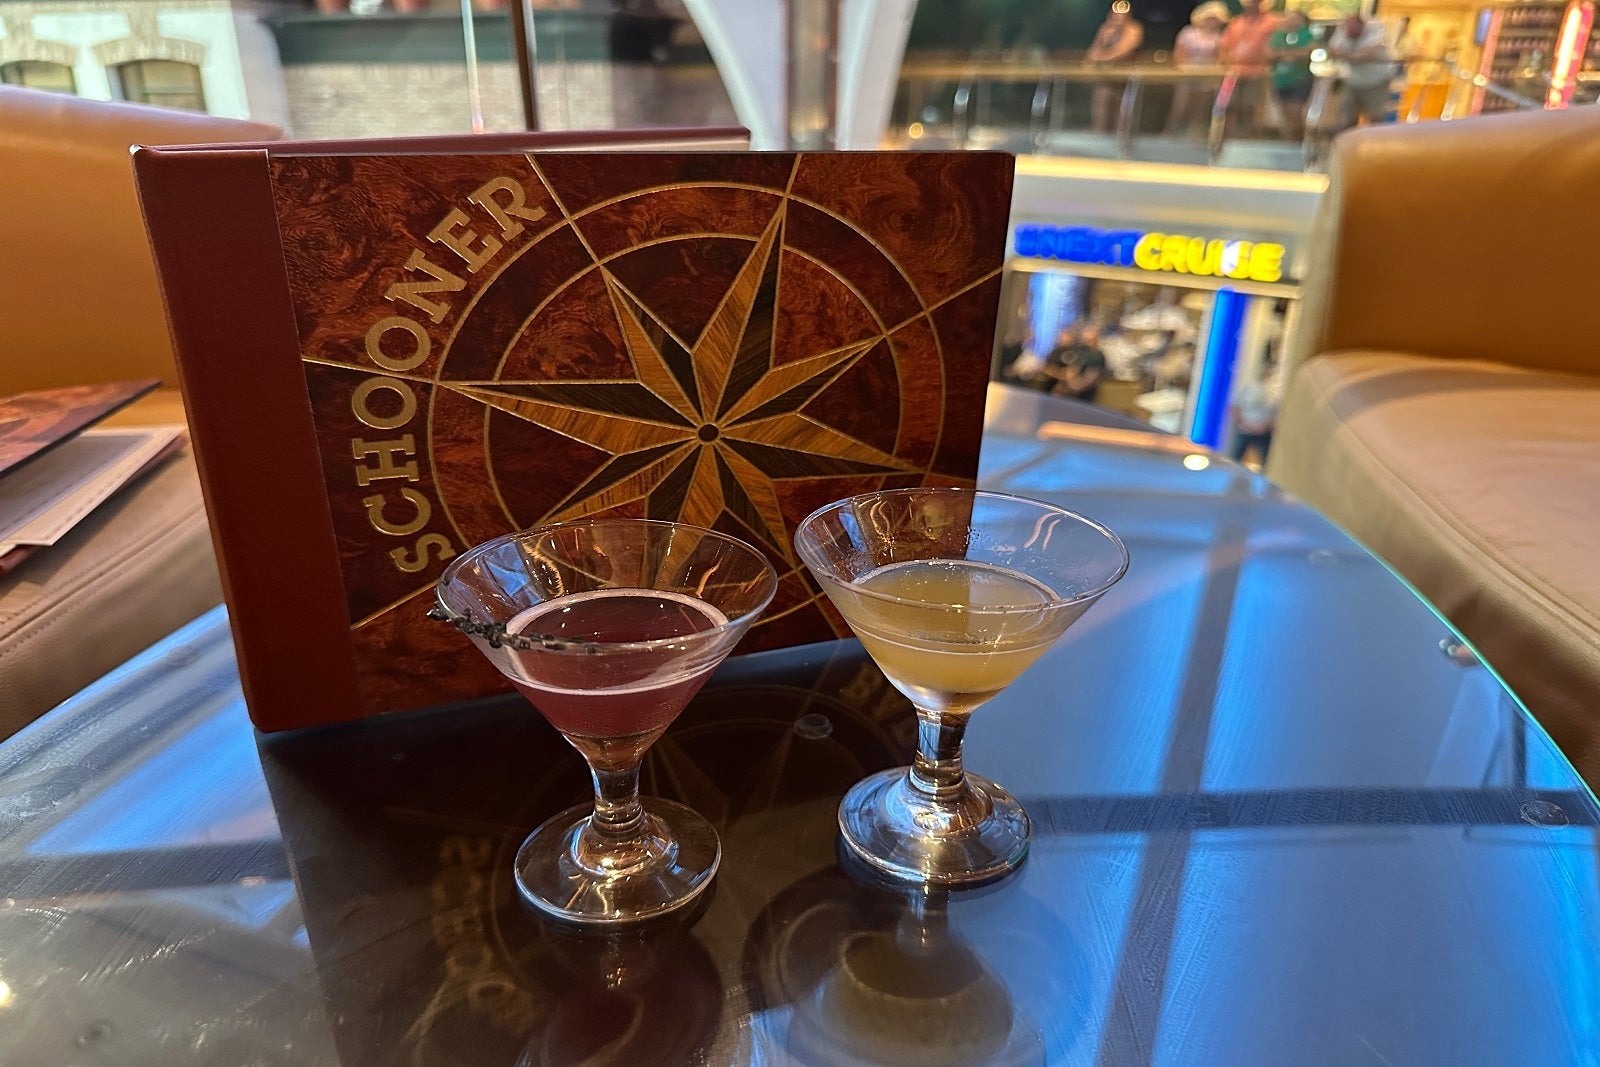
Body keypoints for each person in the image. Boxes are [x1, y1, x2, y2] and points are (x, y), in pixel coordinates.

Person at [1217, 0, 1282, 139]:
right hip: (1233, 73)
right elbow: (1224, 46)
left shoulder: (1273, 22)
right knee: (1229, 105)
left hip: (1259, 72)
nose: (1251, 4)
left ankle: (1251, 138)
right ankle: (1226, 137)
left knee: (1252, 106)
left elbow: (1275, 46)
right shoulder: (1236, 22)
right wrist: (1227, 61)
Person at [1167, 2, 1229, 136]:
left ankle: (1193, 131)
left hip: (1207, 74)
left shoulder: (1218, 37)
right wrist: (1182, 69)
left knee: (1200, 105)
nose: (1212, 22)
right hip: (1187, 72)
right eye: (1210, 18)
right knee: (1180, 104)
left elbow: (1220, 57)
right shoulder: (1188, 33)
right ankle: (1170, 131)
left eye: (1216, 19)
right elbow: (1178, 54)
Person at [1327, 13, 1395, 128]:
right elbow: (1332, 50)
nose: (1349, 33)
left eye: (1353, 30)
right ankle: (1347, 142)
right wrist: (1354, 55)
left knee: (1375, 116)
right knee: (1345, 113)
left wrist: (1347, 55)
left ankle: (1375, 142)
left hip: (1377, 80)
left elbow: (1365, 54)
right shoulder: (1343, 30)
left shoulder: (1376, 30)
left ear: (1362, 26)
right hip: (1352, 80)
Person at [1088, 1, 1145, 134]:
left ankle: (1122, 139)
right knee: (1102, 104)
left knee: (1123, 111)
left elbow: (1123, 50)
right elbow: (1093, 53)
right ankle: (1100, 135)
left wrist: (1101, 57)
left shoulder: (1134, 29)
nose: (1118, 18)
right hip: (1106, 78)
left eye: (1122, 15)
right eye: (1116, 15)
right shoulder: (1106, 29)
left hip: (1126, 79)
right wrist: (1106, 38)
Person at [1269, 10, 1316, 141]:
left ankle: (1300, 139)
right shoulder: (1279, 35)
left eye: (1295, 19)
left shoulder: (1306, 35)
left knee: (1295, 111)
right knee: (1284, 113)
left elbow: (1306, 52)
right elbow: (1269, 53)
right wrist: (1289, 54)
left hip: (1300, 79)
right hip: (1280, 80)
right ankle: (1287, 141)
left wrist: (1283, 53)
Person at [1229, 361, 1280, 464]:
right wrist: (1243, 424)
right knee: (1234, 460)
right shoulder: (1247, 389)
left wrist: (1263, 427)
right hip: (1244, 431)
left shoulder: (1273, 394)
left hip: (1263, 433)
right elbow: (1234, 408)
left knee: (1267, 462)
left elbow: (1277, 414)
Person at [1044, 323, 1109, 403]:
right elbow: (1073, 369)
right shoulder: (1082, 351)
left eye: (1088, 335)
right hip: (1070, 391)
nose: (1085, 337)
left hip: (1084, 393)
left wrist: (1077, 385)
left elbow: (1091, 375)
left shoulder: (1097, 356)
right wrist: (1064, 383)